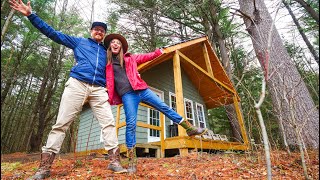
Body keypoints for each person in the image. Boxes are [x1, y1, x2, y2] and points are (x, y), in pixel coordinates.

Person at [9, 0, 127, 179]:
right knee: (61, 124)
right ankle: (44, 167)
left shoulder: (107, 52)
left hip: (99, 90)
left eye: (102, 30)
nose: (99, 31)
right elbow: (53, 34)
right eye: (96, 29)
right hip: (77, 84)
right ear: (91, 31)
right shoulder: (79, 42)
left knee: (109, 123)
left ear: (104, 35)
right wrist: (31, 16)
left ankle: (114, 161)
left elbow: (126, 61)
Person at [104, 33, 208, 174]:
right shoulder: (106, 64)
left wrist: (160, 51)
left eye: (118, 42)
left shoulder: (131, 58)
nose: (115, 44)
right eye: (113, 42)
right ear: (110, 46)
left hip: (142, 89)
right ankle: (132, 162)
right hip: (127, 95)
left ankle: (189, 128)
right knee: (131, 125)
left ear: (121, 47)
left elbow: (148, 56)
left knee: (164, 107)